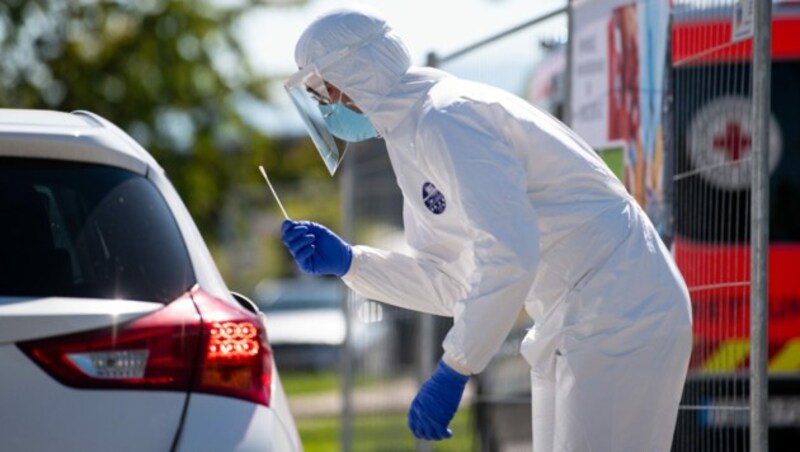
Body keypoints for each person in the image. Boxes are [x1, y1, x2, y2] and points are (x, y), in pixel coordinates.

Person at [280, 5, 693, 450]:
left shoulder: (447, 119)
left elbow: (510, 254)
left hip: (622, 308)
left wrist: (456, 366)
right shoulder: (412, 135)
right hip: (579, 315)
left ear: (357, 72)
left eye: (325, 90)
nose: (324, 107)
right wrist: (352, 263)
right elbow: (454, 282)